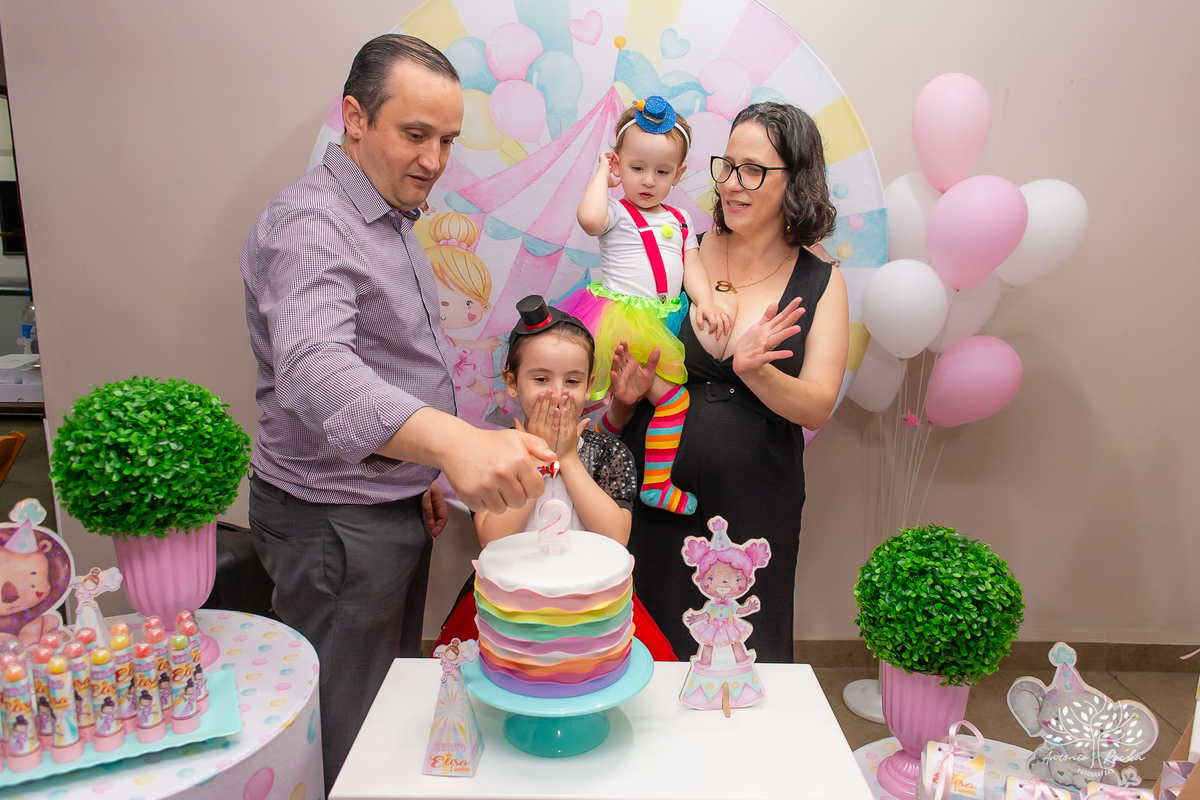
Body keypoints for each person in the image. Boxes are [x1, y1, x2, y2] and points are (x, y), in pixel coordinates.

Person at [240, 34, 554, 787]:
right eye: (416, 135)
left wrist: (412, 466)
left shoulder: (389, 210)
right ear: (354, 118)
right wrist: (448, 443)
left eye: (446, 139)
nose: (435, 159)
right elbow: (314, 371)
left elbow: (383, 364)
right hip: (333, 525)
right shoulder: (314, 225)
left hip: (377, 502)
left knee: (383, 707)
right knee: (349, 730)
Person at [603, 102, 850, 663]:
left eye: (753, 170)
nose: (732, 185)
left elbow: (815, 407)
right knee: (645, 652)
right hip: (656, 495)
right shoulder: (682, 246)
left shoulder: (821, 280)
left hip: (756, 500)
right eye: (726, 165)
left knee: (740, 655)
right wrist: (622, 401)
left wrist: (755, 370)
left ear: (797, 182)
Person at [434, 296, 676, 661]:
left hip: (592, 608)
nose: (559, 393)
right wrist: (538, 459)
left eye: (573, 380)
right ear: (512, 382)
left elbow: (616, 538)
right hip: (510, 608)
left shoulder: (610, 453)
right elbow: (492, 539)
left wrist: (565, 457)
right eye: (542, 378)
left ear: (590, 384)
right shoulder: (490, 452)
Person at [564, 96, 729, 517]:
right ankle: (657, 483)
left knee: (628, 403)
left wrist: (706, 299)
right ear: (619, 165)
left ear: (679, 175)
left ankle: (589, 453)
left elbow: (691, 263)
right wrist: (602, 175)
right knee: (671, 401)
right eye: (636, 168)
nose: (649, 180)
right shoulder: (616, 212)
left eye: (662, 171)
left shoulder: (680, 218)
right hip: (625, 321)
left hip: (664, 319)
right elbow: (588, 219)